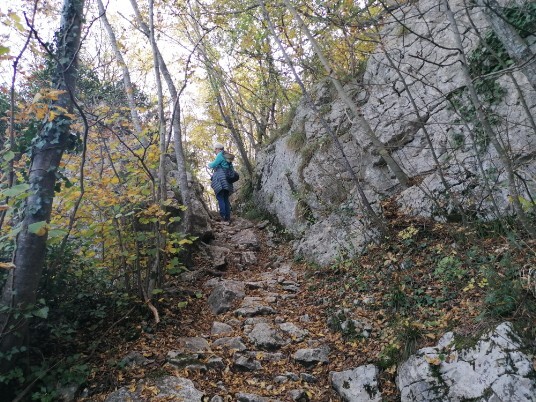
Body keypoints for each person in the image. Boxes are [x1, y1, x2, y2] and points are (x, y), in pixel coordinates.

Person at [208, 142, 233, 222]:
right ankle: (228, 217)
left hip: (221, 180)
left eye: (215, 149)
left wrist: (209, 164)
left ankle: (223, 216)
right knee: (225, 198)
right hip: (227, 180)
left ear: (218, 149)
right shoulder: (226, 156)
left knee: (220, 197)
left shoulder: (220, 155)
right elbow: (231, 169)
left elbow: (213, 164)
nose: (215, 151)